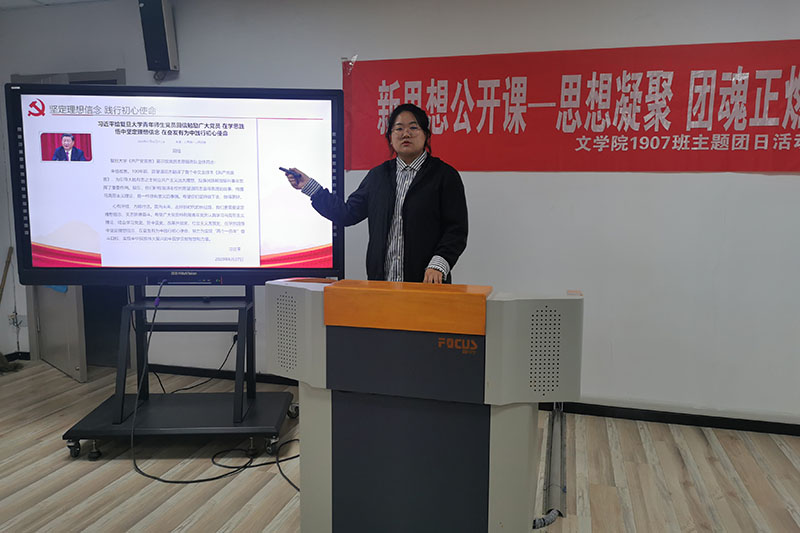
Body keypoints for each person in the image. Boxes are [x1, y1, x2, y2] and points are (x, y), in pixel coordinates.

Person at [285, 103, 468, 284]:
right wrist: (310, 187)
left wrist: (439, 264)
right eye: (399, 128)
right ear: (390, 137)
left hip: (427, 285)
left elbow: (456, 230)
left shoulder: (444, 176)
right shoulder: (378, 176)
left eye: (413, 127)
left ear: (426, 135)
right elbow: (347, 213)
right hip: (381, 286)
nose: (406, 134)